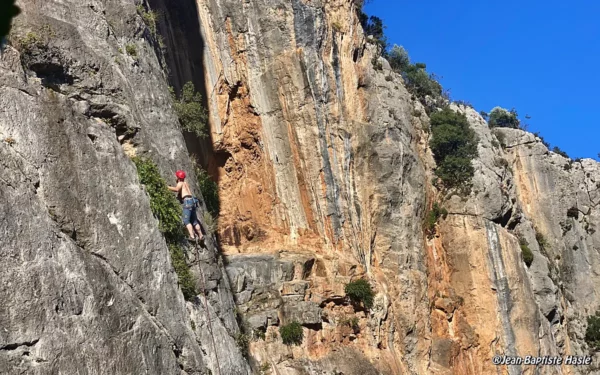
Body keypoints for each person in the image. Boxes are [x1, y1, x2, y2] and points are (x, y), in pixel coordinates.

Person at [168, 170, 204, 241]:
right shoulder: (186, 183)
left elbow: (176, 189)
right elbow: (183, 192)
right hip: (192, 201)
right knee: (194, 221)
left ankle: (192, 237)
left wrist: (168, 187)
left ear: (178, 177)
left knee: (186, 220)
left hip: (187, 202)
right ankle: (201, 236)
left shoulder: (180, 183)